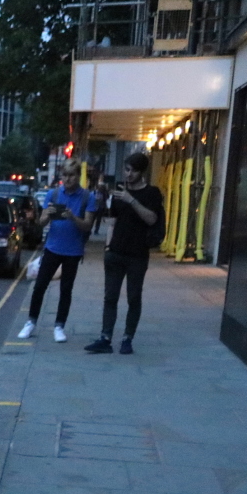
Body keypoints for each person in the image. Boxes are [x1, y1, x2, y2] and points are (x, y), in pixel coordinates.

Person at [85, 152, 165, 355]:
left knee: (133, 297)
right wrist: (107, 247)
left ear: (141, 171)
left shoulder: (152, 193)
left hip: (137, 255)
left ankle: (127, 338)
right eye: (126, 170)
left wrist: (132, 201)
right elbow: (112, 222)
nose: (128, 175)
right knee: (110, 297)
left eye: (132, 171)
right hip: (116, 253)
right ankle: (105, 338)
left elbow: (151, 219)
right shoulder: (119, 193)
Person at [18, 158, 96, 343]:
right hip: (52, 248)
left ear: (78, 176)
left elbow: (87, 226)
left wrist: (72, 217)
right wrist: (49, 215)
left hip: (73, 251)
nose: (68, 179)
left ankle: (59, 326)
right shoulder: (52, 195)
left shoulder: (87, 197)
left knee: (65, 290)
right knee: (39, 286)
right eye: (65, 175)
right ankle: (31, 322)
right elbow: (41, 222)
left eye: (72, 175)